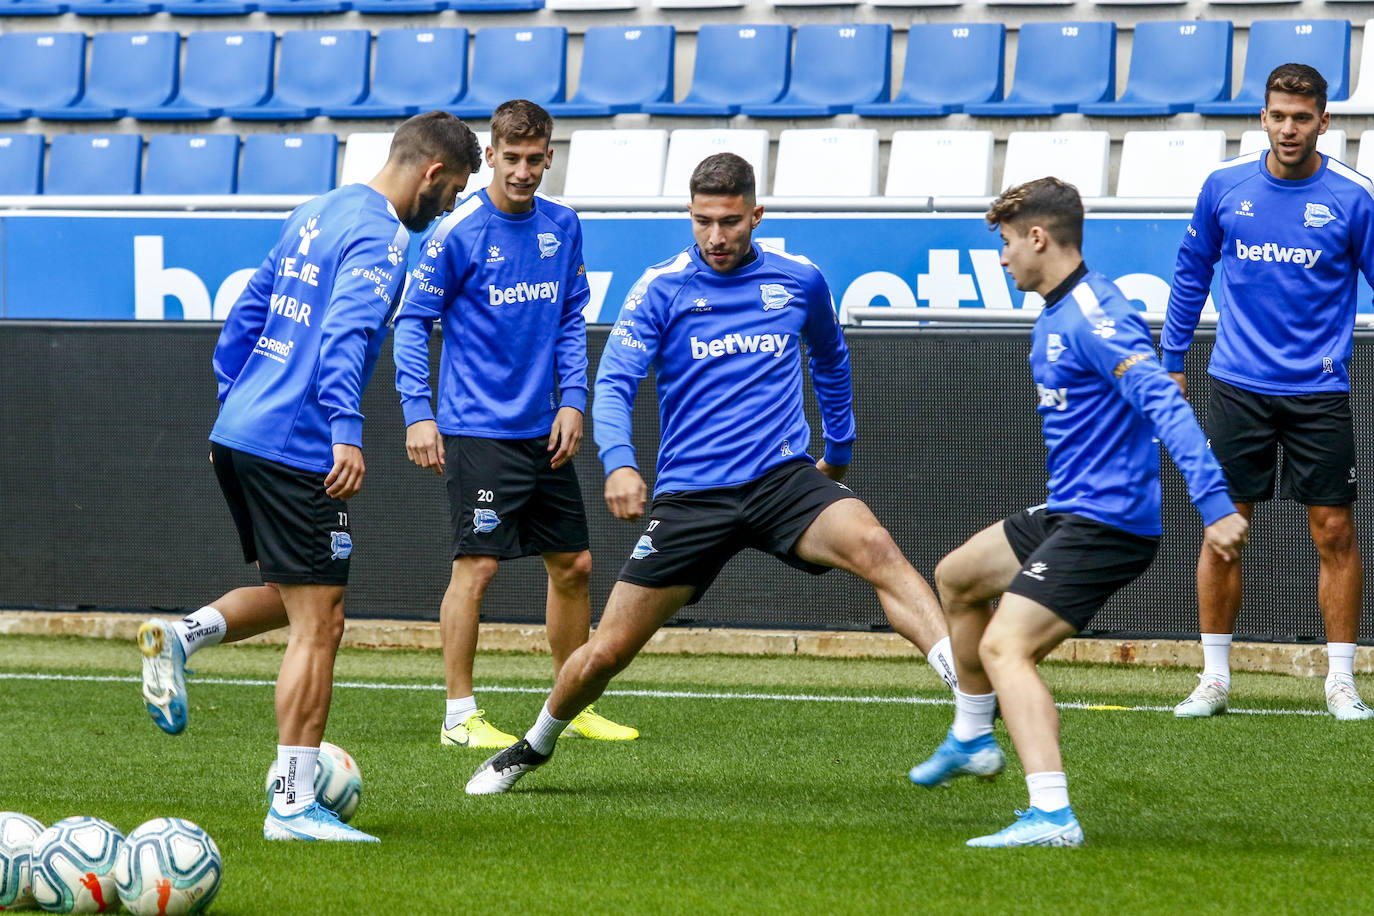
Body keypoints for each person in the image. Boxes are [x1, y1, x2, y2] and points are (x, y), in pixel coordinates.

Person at [464, 152, 960, 796]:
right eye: (702, 222)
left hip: (783, 480)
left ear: (756, 215)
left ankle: (969, 690)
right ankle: (534, 744)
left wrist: (838, 450)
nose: (716, 238)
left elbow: (832, 364)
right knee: (609, 651)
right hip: (693, 497)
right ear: (689, 217)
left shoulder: (799, 280)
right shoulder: (661, 287)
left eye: (730, 222)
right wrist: (619, 462)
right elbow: (612, 382)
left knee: (876, 547)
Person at [137, 111, 483, 842]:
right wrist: (346, 433)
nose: (446, 208)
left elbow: (249, 312)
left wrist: (231, 403)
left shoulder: (315, 210)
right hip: (297, 441)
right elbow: (347, 334)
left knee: (291, 594)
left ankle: (183, 634)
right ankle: (292, 804)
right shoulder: (383, 235)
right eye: (450, 192)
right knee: (322, 621)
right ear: (431, 174)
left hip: (243, 431)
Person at [907, 177, 1249, 848]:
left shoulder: (1095, 317)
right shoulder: (1058, 310)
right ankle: (974, 736)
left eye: (1006, 244)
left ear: (1038, 237)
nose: (1002, 258)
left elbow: (1164, 403)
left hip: (1109, 523)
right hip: (1072, 510)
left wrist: (1214, 503)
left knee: (1008, 647)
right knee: (956, 577)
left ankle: (1053, 815)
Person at [392, 99, 637, 750]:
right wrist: (419, 413)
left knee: (575, 565)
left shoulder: (564, 226)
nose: (524, 171)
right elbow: (413, 321)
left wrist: (573, 401)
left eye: (536, 159)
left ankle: (571, 698)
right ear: (492, 156)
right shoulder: (458, 232)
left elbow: (568, 319)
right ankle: (458, 715)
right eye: (512, 158)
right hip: (476, 427)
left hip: (542, 427)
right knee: (477, 568)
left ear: (549, 156)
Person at [1164, 63, 1374, 721]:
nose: (1289, 128)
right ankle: (1215, 678)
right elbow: (1191, 271)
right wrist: (1173, 360)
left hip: (1319, 391)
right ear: (1263, 116)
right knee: (1226, 529)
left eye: (1302, 117)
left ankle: (1341, 681)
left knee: (1334, 530)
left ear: (1323, 122)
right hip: (1236, 388)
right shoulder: (1225, 187)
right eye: (1278, 115)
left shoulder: (1353, 197)